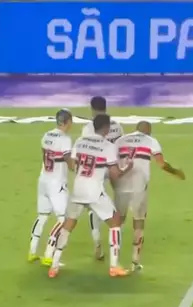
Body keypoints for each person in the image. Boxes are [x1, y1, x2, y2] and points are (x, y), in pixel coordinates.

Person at [48, 114, 133, 278]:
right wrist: (127, 168)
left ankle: (54, 266)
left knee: (68, 225)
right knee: (115, 221)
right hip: (94, 191)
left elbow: (72, 165)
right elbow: (115, 174)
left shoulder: (80, 141)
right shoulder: (108, 146)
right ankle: (114, 266)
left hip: (78, 188)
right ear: (106, 128)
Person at [114, 121, 185, 271]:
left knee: (118, 222)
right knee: (139, 221)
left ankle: (115, 261)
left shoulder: (121, 140)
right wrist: (176, 172)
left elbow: (111, 161)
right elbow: (161, 163)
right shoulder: (151, 141)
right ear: (149, 131)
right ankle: (135, 261)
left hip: (121, 185)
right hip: (139, 187)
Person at [28, 109, 75, 264]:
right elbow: (67, 158)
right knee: (63, 219)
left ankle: (32, 251)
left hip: (43, 179)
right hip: (57, 183)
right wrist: (76, 168)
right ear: (68, 122)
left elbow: (44, 153)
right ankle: (48, 254)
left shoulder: (46, 135)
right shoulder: (65, 139)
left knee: (42, 215)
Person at [81, 96, 124, 261]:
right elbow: (121, 147)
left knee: (94, 204)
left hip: (97, 168)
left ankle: (97, 241)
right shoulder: (117, 126)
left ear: (92, 109)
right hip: (114, 166)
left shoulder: (88, 128)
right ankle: (116, 233)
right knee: (117, 201)